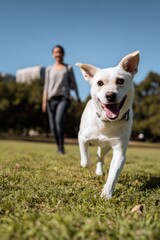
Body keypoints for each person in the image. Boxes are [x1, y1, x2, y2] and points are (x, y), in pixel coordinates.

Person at [42, 45, 81, 154]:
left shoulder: (68, 68)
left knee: (59, 122)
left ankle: (61, 148)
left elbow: (74, 83)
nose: (57, 54)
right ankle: (59, 145)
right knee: (53, 127)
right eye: (55, 52)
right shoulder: (49, 69)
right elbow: (46, 86)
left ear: (63, 54)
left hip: (64, 98)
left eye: (59, 52)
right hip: (51, 99)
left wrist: (78, 98)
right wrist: (44, 101)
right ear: (53, 54)